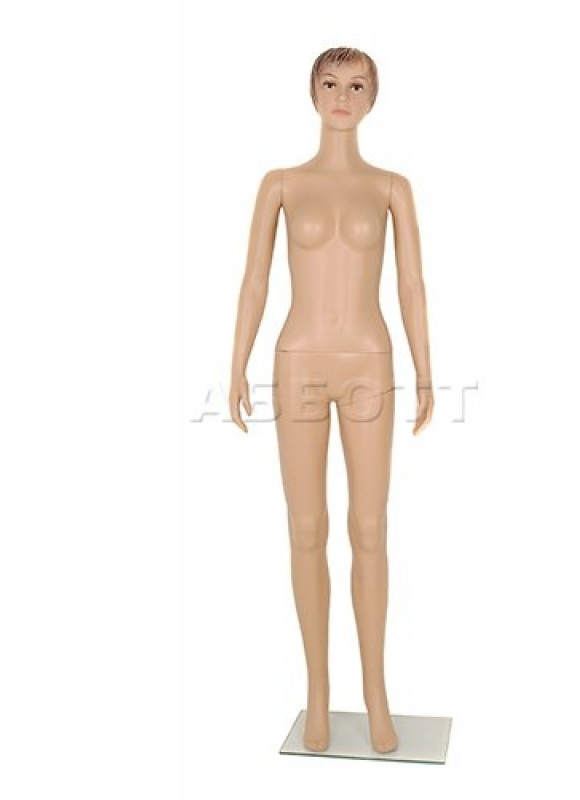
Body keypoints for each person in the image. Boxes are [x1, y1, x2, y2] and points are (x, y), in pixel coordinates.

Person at [228, 46, 433, 754]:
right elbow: (255, 279)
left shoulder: (391, 187)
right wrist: (236, 364)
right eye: (330, 83)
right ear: (312, 94)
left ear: (373, 99)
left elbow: (411, 284)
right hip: (299, 364)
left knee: (370, 527)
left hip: (370, 363)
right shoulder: (281, 184)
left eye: (357, 85)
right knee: (306, 527)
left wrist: (426, 369)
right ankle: (317, 694)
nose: (342, 96)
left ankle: (376, 696)